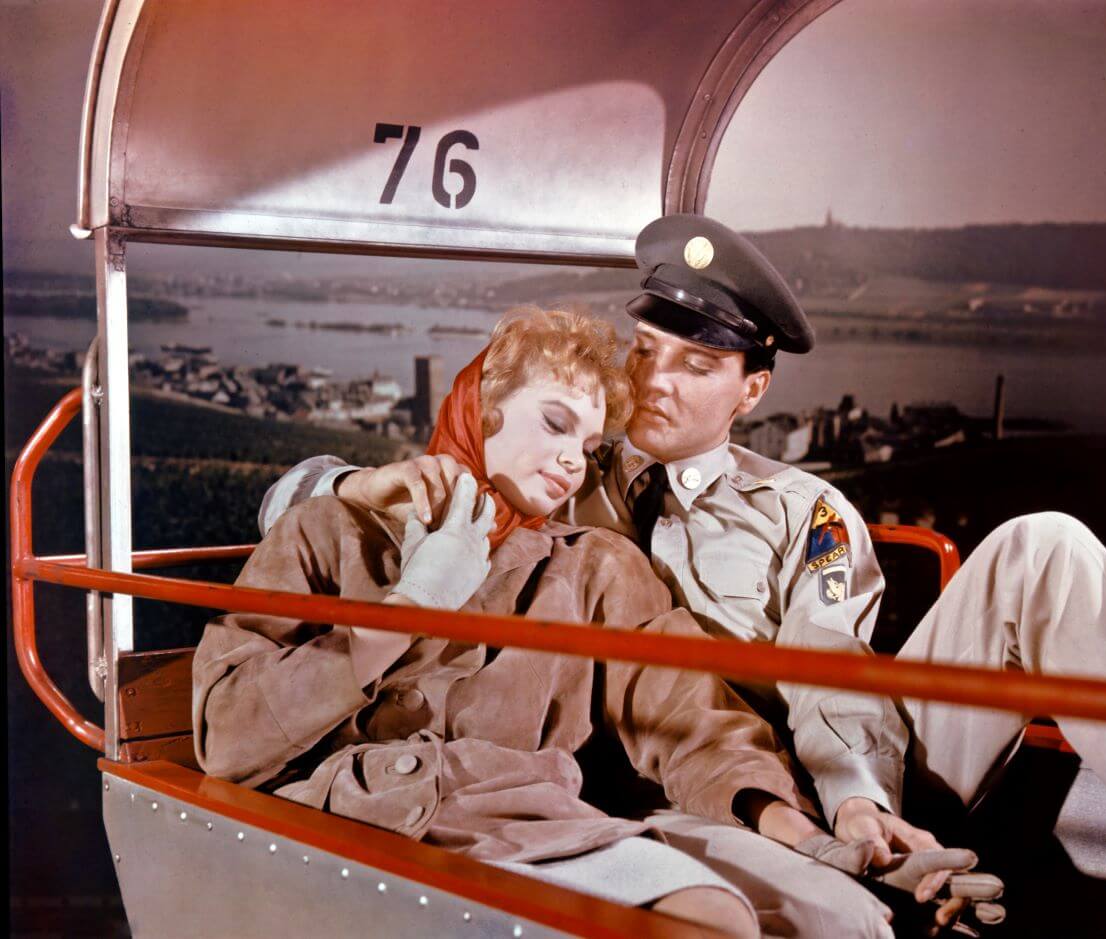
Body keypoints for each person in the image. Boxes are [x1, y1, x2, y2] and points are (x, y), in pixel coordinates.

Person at [257, 216, 1106, 925]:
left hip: (830, 764)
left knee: (1045, 546)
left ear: (752, 387)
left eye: (697, 363)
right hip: (642, 775)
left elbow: (834, 679)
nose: (654, 383)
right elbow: (300, 502)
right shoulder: (558, 470)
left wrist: (857, 807)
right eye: (645, 353)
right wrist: (366, 482)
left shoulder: (806, 513)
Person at [197, 307, 1000, 939]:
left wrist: (814, 839)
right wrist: (402, 610)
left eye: (588, 441)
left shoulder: (595, 565)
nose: (575, 460)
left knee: (750, 917)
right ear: (482, 410)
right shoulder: (333, 529)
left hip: (539, 822)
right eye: (553, 424)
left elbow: (692, 722)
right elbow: (229, 737)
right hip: (350, 827)